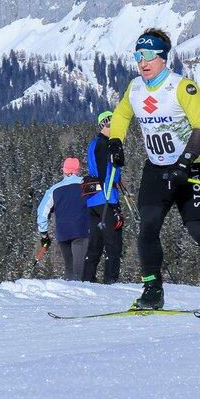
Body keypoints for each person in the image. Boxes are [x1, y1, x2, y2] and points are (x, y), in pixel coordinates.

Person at [107, 28, 200, 310]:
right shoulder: (135, 88)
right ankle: (152, 291)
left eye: (148, 55)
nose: (142, 62)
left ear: (163, 58)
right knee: (147, 228)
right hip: (157, 170)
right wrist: (116, 140)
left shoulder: (182, 87)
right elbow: (123, 113)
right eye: (138, 56)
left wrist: (184, 164)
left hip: (190, 169)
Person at [82, 110, 124, 283]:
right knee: (113, 245)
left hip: (94, 200)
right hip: (107, 198)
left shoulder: (94, 143)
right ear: (107, 122)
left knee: (96, 244)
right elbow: (104, 173)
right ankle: (110, 281)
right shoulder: (104, 144)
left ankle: (87, 280)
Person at [36, 157, 90, 281]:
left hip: (63, 233)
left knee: (69, 268)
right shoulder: (86, 184)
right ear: (78, 170)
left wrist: (44, 234)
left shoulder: (53, 190)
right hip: (81, 231)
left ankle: (68, 296)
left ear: (64, 171)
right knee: (79, 269)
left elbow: (41, 212)